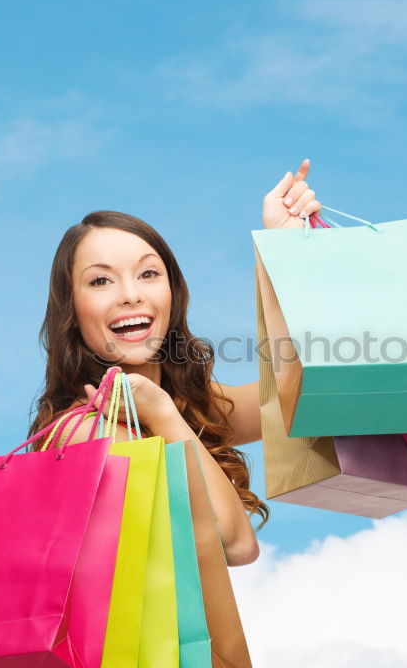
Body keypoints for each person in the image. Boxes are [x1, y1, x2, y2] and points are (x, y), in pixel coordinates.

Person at [28, 159, 322, 567]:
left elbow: (309, 391)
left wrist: (286, 248)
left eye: (148, 274)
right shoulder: (88, 433)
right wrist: (163, 414)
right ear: (71, 311)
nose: (130, 294)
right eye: (100, 280)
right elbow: (234, 544)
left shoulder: (186, 404)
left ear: (174, 293)